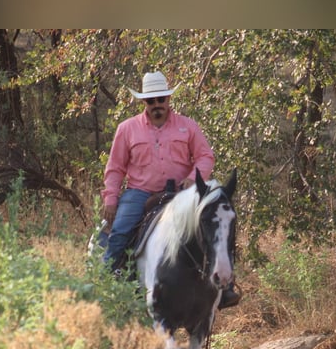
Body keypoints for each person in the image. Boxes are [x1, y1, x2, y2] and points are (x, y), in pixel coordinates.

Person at [101, 70, 240, 308]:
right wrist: (111, 198)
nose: (157, 105)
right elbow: (115, 167)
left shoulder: (188, 126)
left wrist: (191, 178)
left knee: (214, 224)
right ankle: (108, 280)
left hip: (181, 193)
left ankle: (223, 286)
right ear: (144, 102)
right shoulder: (127, 129)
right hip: (140, 192)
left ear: (168, 99)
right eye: (151, 101)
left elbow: (205, 156)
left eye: (161, 99)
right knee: (121, 230)